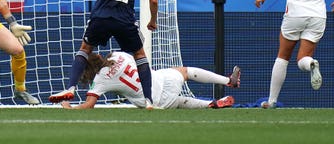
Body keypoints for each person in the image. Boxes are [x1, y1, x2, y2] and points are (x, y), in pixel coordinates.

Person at [48, 0, 159, 108]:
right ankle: (148, 100)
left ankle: (70, 87)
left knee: (85, 49)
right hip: (125, 20)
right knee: (139, 55)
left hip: (100, 16)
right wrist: (153, 20)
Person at [59, 51, 240, 109]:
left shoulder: (100, 80)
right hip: (162, 79)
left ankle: (210, 104)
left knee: (175, 102)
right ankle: (227, 81)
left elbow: (90, 104)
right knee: (185, 71)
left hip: (153, 100)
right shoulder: (118, 55)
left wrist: (71, 107)